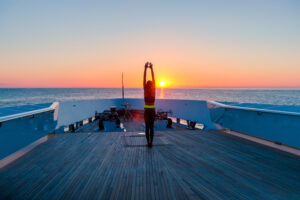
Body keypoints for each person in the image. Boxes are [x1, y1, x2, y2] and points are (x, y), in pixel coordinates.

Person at [143, 62, 156, 148]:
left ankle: (148, 142)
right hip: (152, 111)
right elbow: (153, 78)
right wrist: (151, 68)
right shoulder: (153, 90)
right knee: (151, 127)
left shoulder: (145, 89)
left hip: (147, 111)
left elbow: (144, 78)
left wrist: (145, 68)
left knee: (147, 127)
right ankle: (150, 142)